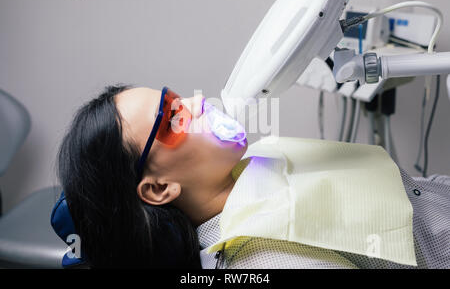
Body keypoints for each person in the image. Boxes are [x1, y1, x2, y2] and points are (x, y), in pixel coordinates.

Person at [56, 84, 450, 269]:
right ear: (159, 188)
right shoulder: (268, 258)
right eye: (172, 118)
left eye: (179, 97)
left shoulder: (249, 166)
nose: (196, 102)